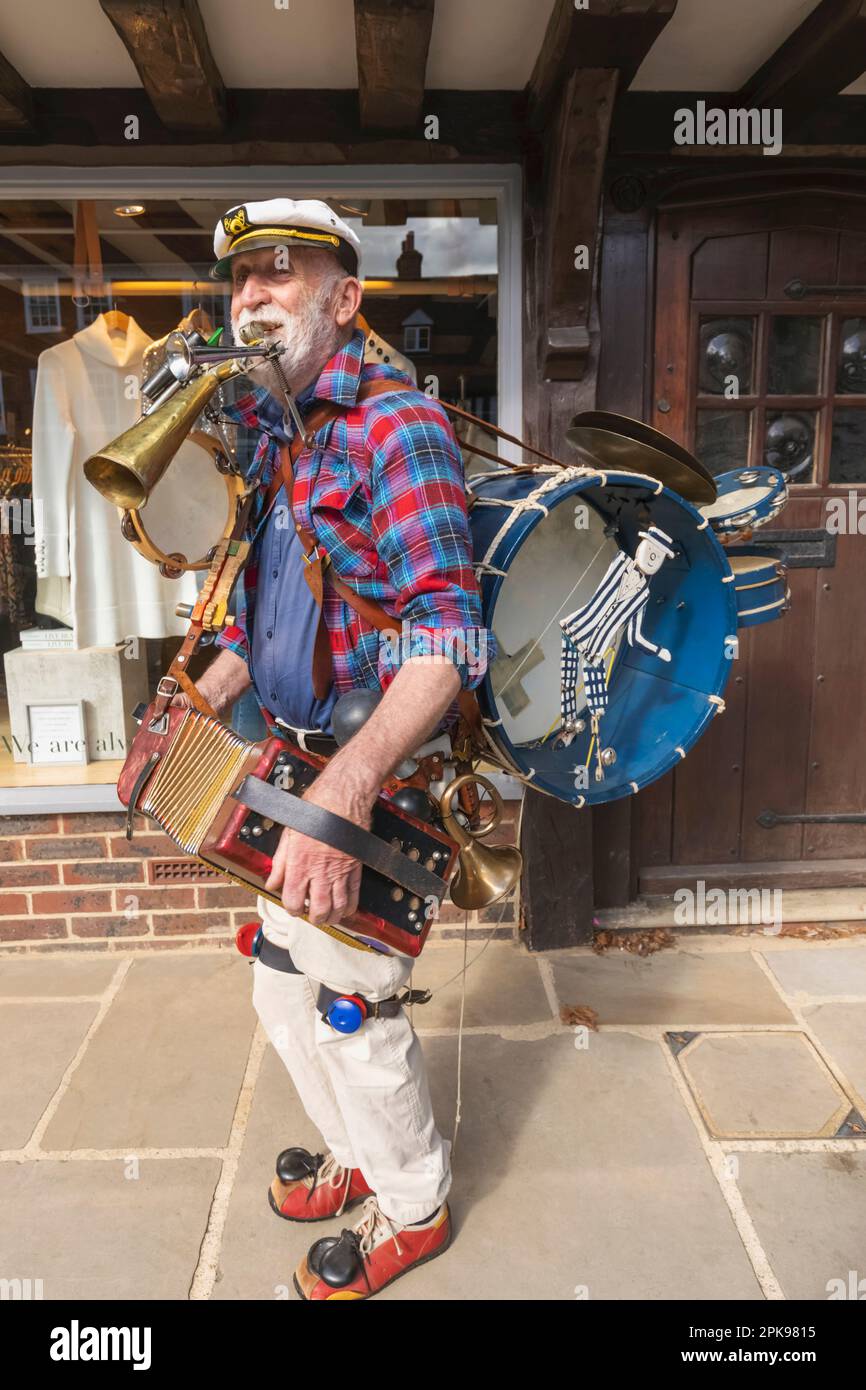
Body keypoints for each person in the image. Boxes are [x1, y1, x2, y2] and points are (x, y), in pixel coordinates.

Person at [179, 198, 494, 1300]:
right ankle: (359, 1153)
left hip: (362, 784)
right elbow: (265, 606)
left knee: (353, 1013)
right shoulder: (279, 429)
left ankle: (410, 1205)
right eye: (240, 280)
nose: (252, 295)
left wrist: (351, 791)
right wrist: (196, 695)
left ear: (344, 300)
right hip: (283, 767)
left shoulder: (395, 426)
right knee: (280, 991)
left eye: (279, 274)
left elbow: (450, 634)